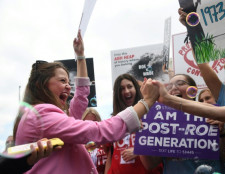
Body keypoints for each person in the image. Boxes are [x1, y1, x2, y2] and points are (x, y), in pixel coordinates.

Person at [13, 31, 159, 174]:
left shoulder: (47, 116)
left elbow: (81, 96)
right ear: (41, 85)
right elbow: (99, 130)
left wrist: (81, 57)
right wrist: (146, 102)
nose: (69, 86)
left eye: (69, 82)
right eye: (62, 81)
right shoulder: (41, 115)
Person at [140, 74, 225, 174]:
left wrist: (223, 132)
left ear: (193, 90)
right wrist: (143, 133)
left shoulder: (210, 114)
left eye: (180, 83)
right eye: (169, 86)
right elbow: (150, 164)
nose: (174, 87)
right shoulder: (160, 123)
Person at [105, 73, 163, 174]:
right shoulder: (115, 120)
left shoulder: (153, 115)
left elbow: (162, 146)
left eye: (129, 86)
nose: (126, 91)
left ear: (136, 89)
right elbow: (110, 154)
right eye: (122, 89)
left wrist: (139, 150)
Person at [82, 108, 108, 174]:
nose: (91, 126)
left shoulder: (107, 140)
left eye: (94, 122)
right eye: (87, 123)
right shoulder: (77, 145)